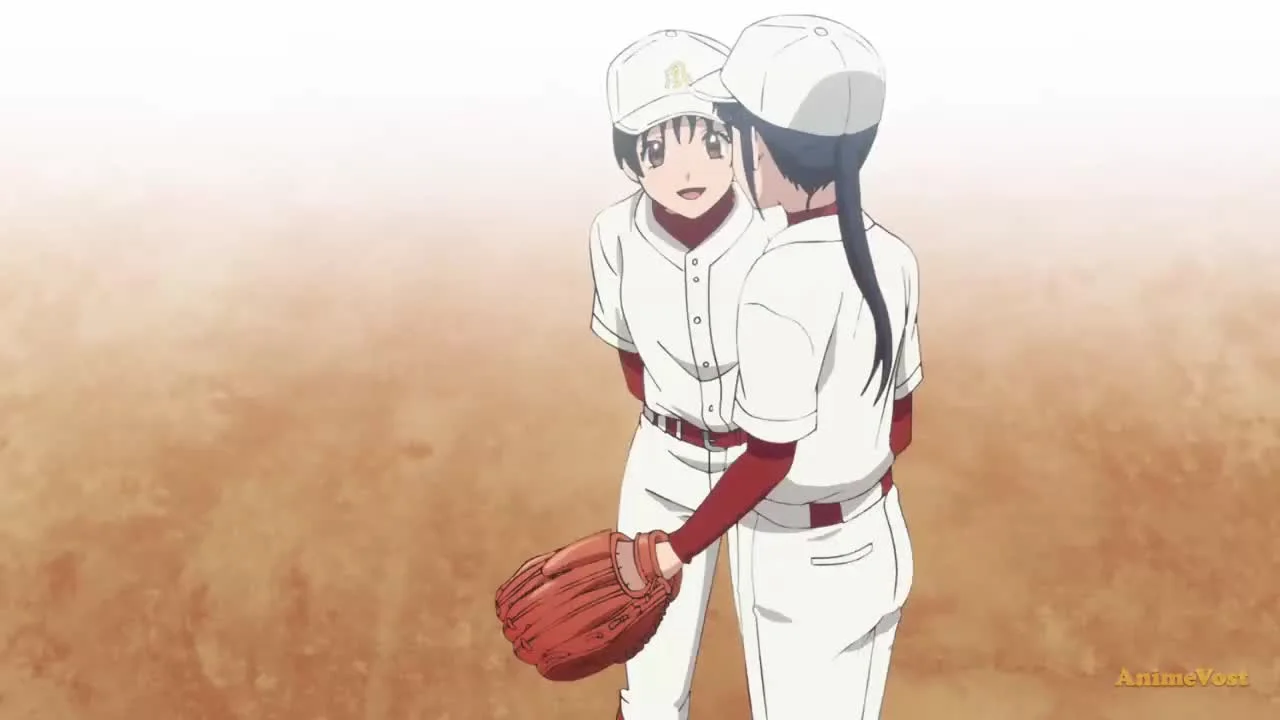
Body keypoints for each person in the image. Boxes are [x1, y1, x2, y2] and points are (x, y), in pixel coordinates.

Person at [643, 15, 923, 718]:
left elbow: (770, 457)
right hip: (879, 537)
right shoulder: (893, 254)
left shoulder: (778, 279)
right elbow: (901, 425)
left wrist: (674, 550)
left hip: (802, 565)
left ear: (761, 143)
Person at [590, 28, 787, 720]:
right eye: (659, 148)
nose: (689, 167)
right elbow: (630, 357)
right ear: (629, 159)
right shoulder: (613, 233)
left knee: (792, 674)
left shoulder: (777, 234)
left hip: (775, 469)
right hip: (665, 464)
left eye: (709, 140)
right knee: (652, 680)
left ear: (741, 141)